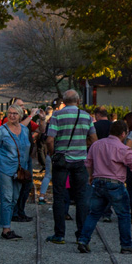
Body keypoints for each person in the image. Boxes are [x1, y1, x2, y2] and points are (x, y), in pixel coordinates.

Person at [78, 120, 132, 255]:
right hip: (115, 184)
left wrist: (91, 177)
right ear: (123, 133)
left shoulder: (96, 144)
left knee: (94, 214)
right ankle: (126, 245)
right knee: (124, 214)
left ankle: (83, 240)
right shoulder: (123, 148)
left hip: (98, 182)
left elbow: (88, 163)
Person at [44, 89, 96, 244]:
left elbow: (49, 140)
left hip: (62, 161)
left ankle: (59, 234)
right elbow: (94, 139)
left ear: (64, 102)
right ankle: (81, 234)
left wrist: (54, 155)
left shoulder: (57, 116)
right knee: (81, 198)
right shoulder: (86, 116)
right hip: (80, 161)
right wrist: (82, 146)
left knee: (59, 197)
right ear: (78, 101)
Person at [0, 104, 33, 240]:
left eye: (15, 113)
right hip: (3, 168)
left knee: (14, 197)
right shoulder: (1, 131)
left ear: (20, 115)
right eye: (10, 113)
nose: (12, 116)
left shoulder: (24, 130)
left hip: (20, 170)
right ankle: (6, 229)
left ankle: (6, 223)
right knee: (7, 197)